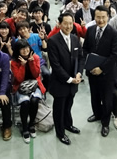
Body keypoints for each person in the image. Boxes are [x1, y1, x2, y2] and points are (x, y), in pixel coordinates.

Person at [83, 5, 117, 137]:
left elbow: (115, 55)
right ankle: (97, 114)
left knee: (107, 99)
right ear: (94, 17)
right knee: (94, 96)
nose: (100, 20)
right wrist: (90, 63)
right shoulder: (90, 30)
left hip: (107, 73)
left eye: (103, 17)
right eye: (98, 17)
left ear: (108, 17)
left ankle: (105, 123)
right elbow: (85, 48)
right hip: (92, 71)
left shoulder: (114, 33)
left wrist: (101, 68)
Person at [47, 12, 84, 145]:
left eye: (71, 23)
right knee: (59, 109)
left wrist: (79, 73)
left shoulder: (75, 38)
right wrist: (69, 79)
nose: (68, 26)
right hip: (60, 82)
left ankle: (68, 125)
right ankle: (60, 132)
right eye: (65, 23)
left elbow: (80, 58)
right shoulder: (53, 41)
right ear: (59, 24)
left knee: (68, 106)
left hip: (73, 81)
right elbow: (55, 65)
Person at [11, 39, 46, 144]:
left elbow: (36, 75)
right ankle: (25, 128)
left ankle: (31, 124)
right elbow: (18, 79)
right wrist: (22, 65)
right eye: (22, 49)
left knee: (35, 100)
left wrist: (30, 62)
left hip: (34, 85)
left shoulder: (35, 58)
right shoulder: (14, 62)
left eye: (26, 48)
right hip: (20, 87)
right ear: (18, 51)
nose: (25, 51)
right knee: (25, 102)